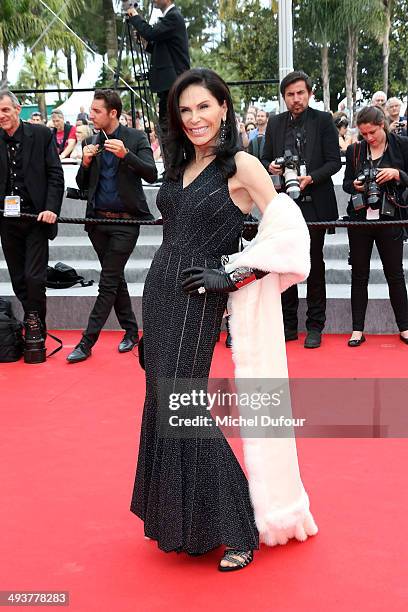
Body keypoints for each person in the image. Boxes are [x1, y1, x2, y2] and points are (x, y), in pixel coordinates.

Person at [130, 68, 317, 572]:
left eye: (204, 107)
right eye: (185, 110)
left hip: (198, 297)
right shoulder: (177, 163)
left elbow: (289, 236)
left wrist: (232, 276)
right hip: (160, 290)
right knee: (163, 400)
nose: (194, 118)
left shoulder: (241, 164)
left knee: (181, 403)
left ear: (224, 109)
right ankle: (182, 520)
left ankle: (238, 525)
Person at [66, 90, 157, 363]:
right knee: (114, 277)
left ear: (113, 113)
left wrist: (126, 155)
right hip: (96, 221)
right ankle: (131, 331)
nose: (90, 115)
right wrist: (84, 162)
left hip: (126, 222)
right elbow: (84, 185)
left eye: (96, 111)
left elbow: (152, 173)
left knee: (107, 282)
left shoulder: (136, 138)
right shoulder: (92, 140)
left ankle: (87, 341)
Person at [261, 70, 342, 348]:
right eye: (290, 94)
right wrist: (270, 166)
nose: (296, 99)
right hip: (284, 204)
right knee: (284, 265)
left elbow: (335, 162)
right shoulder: (275, 123)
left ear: (309, 93)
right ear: (283, 97)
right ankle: (288, 325)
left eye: (300, 93)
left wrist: (311, 178)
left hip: (315, 203)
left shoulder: (323, 120)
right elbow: (264, 159)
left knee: (314, 264)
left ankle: (315, 326)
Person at [0, 90, 64, 355]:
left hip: (37, 219)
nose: (1, 116)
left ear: (17, 109)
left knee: (34, 276)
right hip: (7, 221)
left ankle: (35, 322)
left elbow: (55, 176)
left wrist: (50, 208)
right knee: (18, 278)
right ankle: (32, 320)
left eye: (5, 110)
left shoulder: (41, 135)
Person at [343, 105, 408, 347]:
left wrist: (396, 174)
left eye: (372, 132)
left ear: (383, 125)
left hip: (391, 217)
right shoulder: (355, 151)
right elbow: (348, 183)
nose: (368, 138)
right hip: (360, 218)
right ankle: (357, 330)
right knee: (359, 275)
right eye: (364, 134)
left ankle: (405, 327)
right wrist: (357, 186)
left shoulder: (401, 145)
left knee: (395, 274)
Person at [126, 1, 190, 137]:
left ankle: (174, 157)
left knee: (170, 130)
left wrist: (133, 14)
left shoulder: (173, 17)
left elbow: (150, 33)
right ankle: (171, 157)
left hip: (174, 83)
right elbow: (160, 47)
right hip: (170, 84)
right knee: (166, 128)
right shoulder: (171, 18)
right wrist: (144, 41)